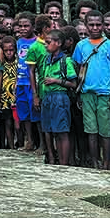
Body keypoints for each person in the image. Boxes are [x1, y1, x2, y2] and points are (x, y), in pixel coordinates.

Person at [72, 10, 110, 169]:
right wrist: (79, 93)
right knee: (91, 130)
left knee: (106, 131)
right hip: (87, 94)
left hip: (105, 94)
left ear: (102, 25)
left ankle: (107, 162)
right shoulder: (81, 46)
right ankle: (95, 161)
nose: (95, 27)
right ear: (86, 26)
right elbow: (78, 68)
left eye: (98, 24)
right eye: (91, 24)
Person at [32, 28, 76, 167]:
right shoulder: (46, 59)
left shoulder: (66, 61)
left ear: (58, 43)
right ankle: (53, 160)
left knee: (62, 131)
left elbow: (73, 84)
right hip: (47, 96)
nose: (45, 45)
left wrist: (56, 81)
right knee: (49, 130)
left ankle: (64, 163)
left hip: (59, 97)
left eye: (48, 42)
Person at [12, 12, 40, 152]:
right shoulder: (19, 42)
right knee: (24, 114)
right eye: (20, 26)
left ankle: (42, 144)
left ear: (33, 27)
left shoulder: (38, 42)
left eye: (26, 26)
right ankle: (30, 141)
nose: (23, 29)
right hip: (21, 82)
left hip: (32, 83)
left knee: (36, 114)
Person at [0, 35, 18, 150]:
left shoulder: (19, 60)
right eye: (6, 51)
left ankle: (20, 143)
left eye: (11, 50)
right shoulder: (1, 61)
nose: (9, 53)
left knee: (18, 123)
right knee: (8, 122)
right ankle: (11, 146)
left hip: (17, 96)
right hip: (5, 97)